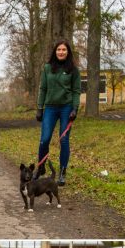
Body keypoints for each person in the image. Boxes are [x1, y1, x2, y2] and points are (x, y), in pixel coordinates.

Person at [36, 39, 81, 186]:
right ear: (55, 52)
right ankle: (41, 166)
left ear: (68, 52)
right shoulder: (48, 68)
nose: (61, 52)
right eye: (58, 50)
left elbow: (76, 91)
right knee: (45, 139)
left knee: (64, 140)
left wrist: (75, 108)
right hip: (50, 107)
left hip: (66, 108)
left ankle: (62, 171)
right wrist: (39, 108)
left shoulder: (73, 70)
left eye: (64, 50)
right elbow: (42, 89)